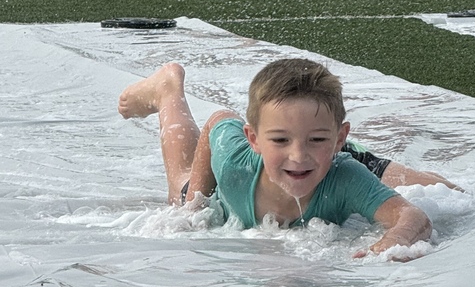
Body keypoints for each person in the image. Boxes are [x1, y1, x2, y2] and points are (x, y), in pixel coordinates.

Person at [117, 59, 435, 259]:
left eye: (318, 139)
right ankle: (167, 89)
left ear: (340, 139)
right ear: (253, 139)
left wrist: (392, 242)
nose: (298, 156)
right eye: (281, 140)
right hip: (221, 188)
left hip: (322, 154)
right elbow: (217, 120)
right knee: (180, 190)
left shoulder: (346, 177)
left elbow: (413, 217)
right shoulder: (235, 164)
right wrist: (195, 204)